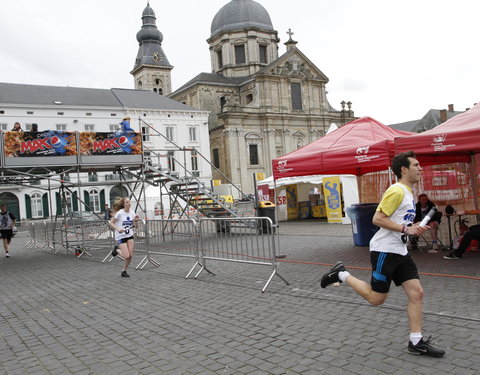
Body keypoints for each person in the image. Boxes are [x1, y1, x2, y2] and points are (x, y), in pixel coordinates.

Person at [320, 151, 445, 358]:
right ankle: (341, 274)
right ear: (404, 169)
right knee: (377, 299)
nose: (420, 168)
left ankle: (416, 342)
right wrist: (406, 230)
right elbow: (377, 219)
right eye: (416, 165)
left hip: (400, 251)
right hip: (384, 251)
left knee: (417, 293)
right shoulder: (396, 191)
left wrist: (410, 227)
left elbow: (397, 221)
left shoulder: (407, 192)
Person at [108, 197, 139, 277]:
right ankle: (117, 250)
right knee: (126, 256)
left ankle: (124, 271)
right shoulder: (120, 213)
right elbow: (111, 223)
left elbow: (135, 226)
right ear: (124, 204)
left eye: (129, 202)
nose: (129, 203)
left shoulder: (132, 213)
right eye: (127, 202)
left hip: (129, 235)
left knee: (130, 255)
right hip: (121, 236)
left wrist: (136, 220)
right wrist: (118, 229)